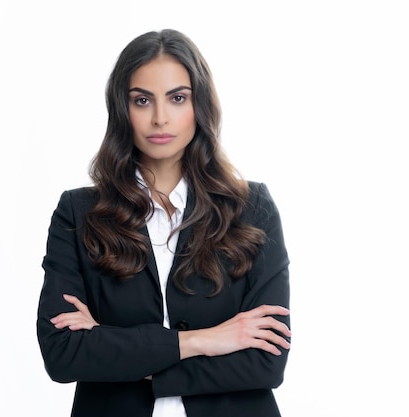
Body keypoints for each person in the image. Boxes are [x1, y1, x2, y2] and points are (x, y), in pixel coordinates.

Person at [37, 29, 291, 417]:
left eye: (177, 98)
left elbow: (266, 362)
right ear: (122, 109)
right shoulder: (79, 213)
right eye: (142, 100)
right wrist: (202, 340)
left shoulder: (251, 207)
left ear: (200, 104)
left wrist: (116, 349)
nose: (160, 118)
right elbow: (64, 354)